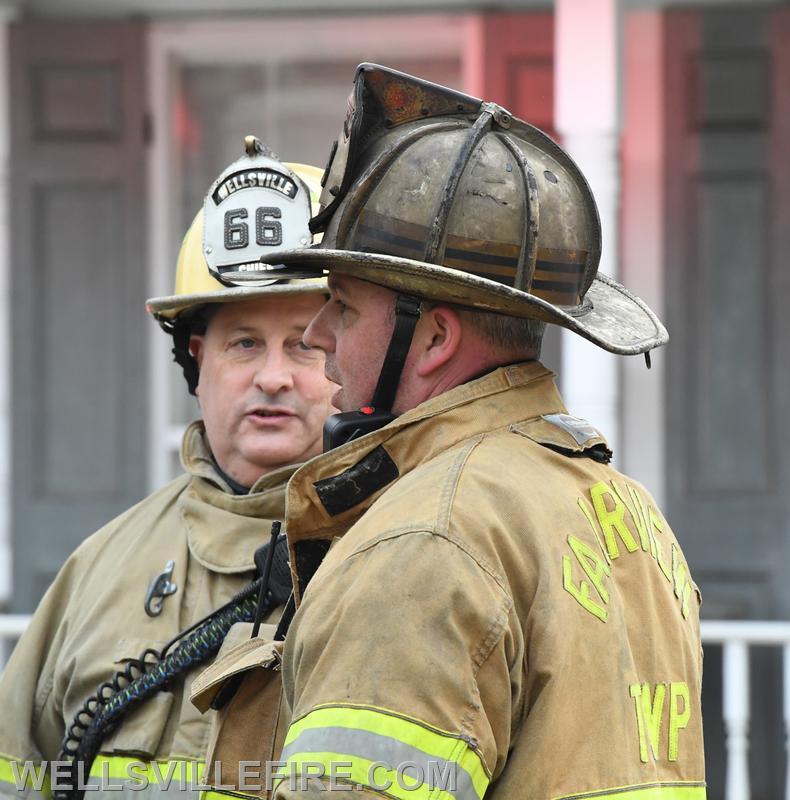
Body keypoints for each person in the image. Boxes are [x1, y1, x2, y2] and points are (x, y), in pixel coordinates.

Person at [195, 66, 706, 800]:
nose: (317, 334)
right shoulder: (626, 510)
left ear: (432, 337)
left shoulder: (422, 543)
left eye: (341, 306)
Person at [0, 140, 337, 800]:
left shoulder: (408, 555)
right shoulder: (97, 574)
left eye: (303, 343)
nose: (273, 376)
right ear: (196, 358)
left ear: (351, 353)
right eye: (244, 343)